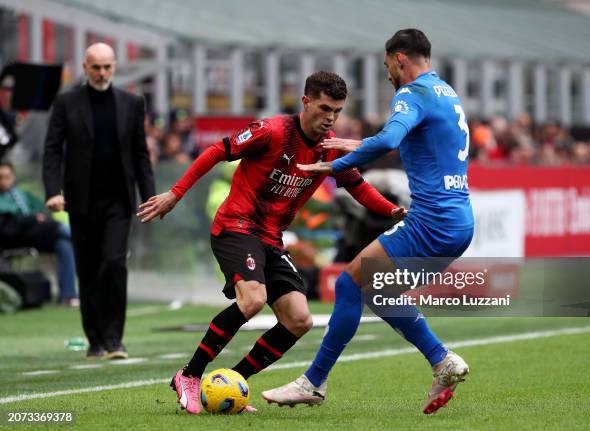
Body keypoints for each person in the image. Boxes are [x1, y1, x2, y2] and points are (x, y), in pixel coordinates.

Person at [137, 70, 406, 415]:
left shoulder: (329, 150)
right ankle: (188, 375)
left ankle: (232, 383)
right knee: (253, 300)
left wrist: (393, 210)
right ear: (306, 101)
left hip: (271, 238)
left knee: (299, 319)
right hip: (236, 226)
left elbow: (358, 186)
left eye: (337, 111)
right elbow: (217, 151)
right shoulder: (272, 130)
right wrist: (176, 193)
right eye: (325, 108)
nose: (331, 118)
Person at [261, 29, 474, 415]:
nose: (388, 75)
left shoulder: (411, 93)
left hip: (432, 221)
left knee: (348, 282)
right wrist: (355, 145)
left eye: (387, 66)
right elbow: (415, 140)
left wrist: (332, 166)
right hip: (459, 221)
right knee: (377, 293)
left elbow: (392, 138)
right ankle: (441, 361)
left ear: (399, 59)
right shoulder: (444, 92)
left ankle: (313, 382)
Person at [43, 43, 155, 359]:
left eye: (107, 66)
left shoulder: (132, 102)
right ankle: (94, 340)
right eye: (96, 67)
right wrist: (52, 190)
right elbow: (52, 149)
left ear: (115, 66)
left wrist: (150, 198)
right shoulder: (66, 102)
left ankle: (114, 339)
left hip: (119, 200)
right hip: (80, 201)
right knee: (88, 269)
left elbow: (140, 154)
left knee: (115, 263)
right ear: (85, 67)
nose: (102, 72)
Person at [0, 162, 78, 306]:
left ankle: (68, 296)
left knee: (64, 245)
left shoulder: (22, 195)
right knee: (61, 229)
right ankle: (89, 241)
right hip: (16, 237)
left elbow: (42, 210)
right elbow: (7, 228)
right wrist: (31, 219)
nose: (4, 181)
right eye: (1, 177)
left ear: (13, 177)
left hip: (37, 234)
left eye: (7, 176)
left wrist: (38, 217)